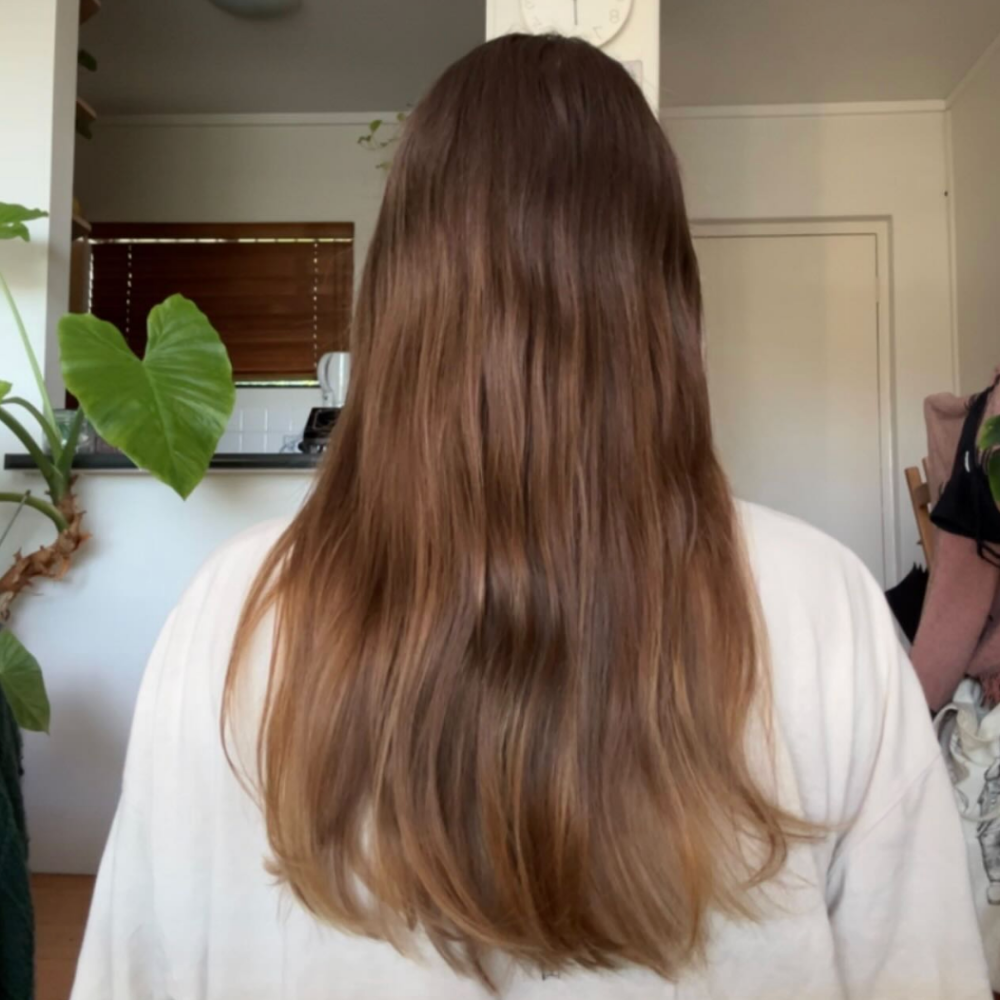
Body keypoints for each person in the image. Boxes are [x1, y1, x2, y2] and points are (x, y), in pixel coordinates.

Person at [71, 35, 990, 1000]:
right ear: (669, 301)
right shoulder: (822, 601)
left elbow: (137, 973)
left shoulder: (237, 607)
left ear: (397, 294)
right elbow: (925, 973)